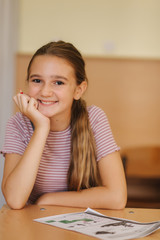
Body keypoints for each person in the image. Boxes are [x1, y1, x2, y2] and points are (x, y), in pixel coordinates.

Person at [1, 41, 127, 210]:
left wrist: (47, 199)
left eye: (58, 82)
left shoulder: (94, 119)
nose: (45, 92)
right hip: (33, 226)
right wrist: (42, 128)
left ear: (78, 90)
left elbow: (117, 197)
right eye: (37, 80)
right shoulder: (18, 124)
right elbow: (15, 199)